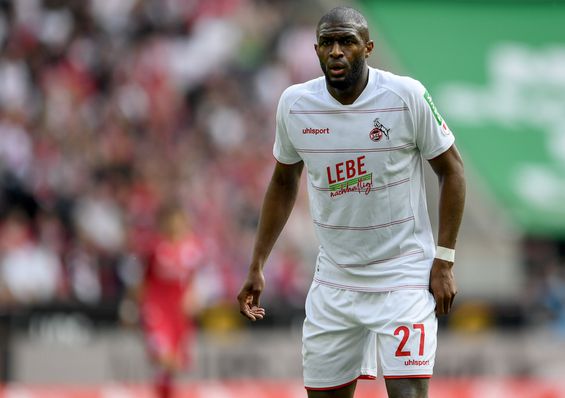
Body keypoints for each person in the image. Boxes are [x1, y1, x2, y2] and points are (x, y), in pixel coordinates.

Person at [237, 6, 466, 398]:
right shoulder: (295, 105)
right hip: (335, 280)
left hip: (403, 276)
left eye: (347, 42)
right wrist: (257, 263)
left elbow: (453, 171)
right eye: (327, 43)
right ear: (316, 50)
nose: (337, 51)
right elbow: (283, 181)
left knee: (408, 392)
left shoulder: (405, 96)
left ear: (368, 48)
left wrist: (443, 260)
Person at [138, 203, 203, 398]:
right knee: (164, 358)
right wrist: (136, 307)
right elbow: (143, 279)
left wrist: (193, 295)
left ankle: (164, 391)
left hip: (178, 312)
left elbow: (192, 277)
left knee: (177, 364)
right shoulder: (156, 248)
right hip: (157, 308)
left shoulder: (191, 247)